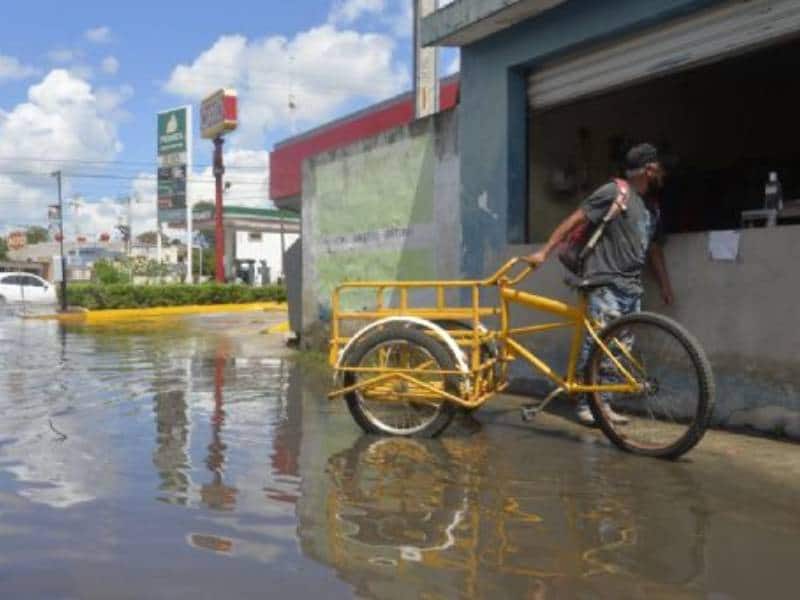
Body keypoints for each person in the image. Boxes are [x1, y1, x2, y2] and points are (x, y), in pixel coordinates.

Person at [524, 143, 674, 426]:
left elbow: (654, 249)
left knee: (619, 349)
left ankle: (601, 403)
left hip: (631, 287)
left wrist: (665, 285)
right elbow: (574, 220)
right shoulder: (615, 192)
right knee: (598, 344)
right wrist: (544, 252)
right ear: (650, 169)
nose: (663, 174)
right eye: (660, 168)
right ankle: (587, 404)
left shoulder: (651, 208)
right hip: (604, 280)